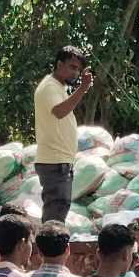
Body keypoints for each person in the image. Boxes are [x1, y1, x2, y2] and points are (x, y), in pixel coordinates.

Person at [35, 46, 92, 223]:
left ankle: (51, 246)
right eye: (72, 67)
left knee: (58, 209)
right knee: (55, 213)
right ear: (59, 64)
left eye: (78, 69)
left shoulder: (58, 87)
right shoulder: (49, 86)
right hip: (54, 162)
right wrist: (82, 88)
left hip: (60, 161)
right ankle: (50, 248)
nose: (76, 72)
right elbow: (60, 112)